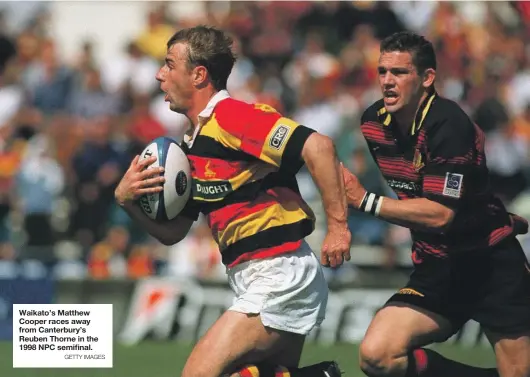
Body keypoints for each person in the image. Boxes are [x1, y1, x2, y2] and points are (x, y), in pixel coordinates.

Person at [114, 26, 352, 377]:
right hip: (252, 274)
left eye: (168, 64)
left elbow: (318, 146)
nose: (159, 74)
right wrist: (127, 200)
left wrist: (339, 227)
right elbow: (175, 232)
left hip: (278, 271)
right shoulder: (192, 146)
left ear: (198, 75)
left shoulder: (231, 117)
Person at [336, 31, 530, 377]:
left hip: (491, 265)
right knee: (376, 356)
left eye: (399, 72)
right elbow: (426, 191)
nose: (387, 82)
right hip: (438, 266)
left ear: (427, 78)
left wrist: (364, 201)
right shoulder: (373, 124)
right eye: (382, 72)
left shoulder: (449, 124)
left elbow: (440, 214)